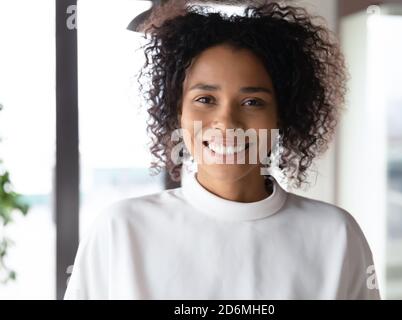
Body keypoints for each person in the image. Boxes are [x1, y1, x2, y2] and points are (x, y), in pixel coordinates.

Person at [64, 0, 380, 300]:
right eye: (205, 99)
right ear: (178, 112)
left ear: (281, 115)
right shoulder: (119, 230)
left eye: (252, 102)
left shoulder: (337, 236)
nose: (226, 122)